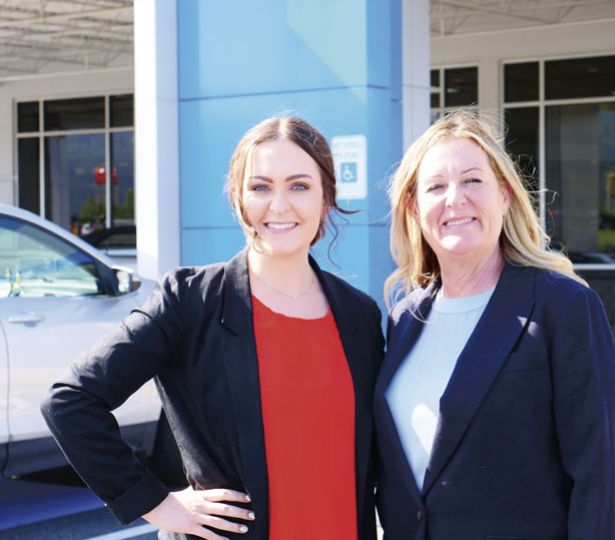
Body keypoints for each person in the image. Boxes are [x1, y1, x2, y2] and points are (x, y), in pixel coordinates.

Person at [42, 116, 384, 540]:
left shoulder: (359, 315)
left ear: (326, 198)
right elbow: (71, 401)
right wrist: (155, 503)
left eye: (299, 186)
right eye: (260, 187)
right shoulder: (189, 301)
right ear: (238, 199)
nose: (279, 205)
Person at [374, 111, 615, 540]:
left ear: (506, 195)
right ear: (414, 209)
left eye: (472, 181)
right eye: (436, 186)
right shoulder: (405, 319)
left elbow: (602, 480)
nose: (455, 199)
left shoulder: (563, 307)